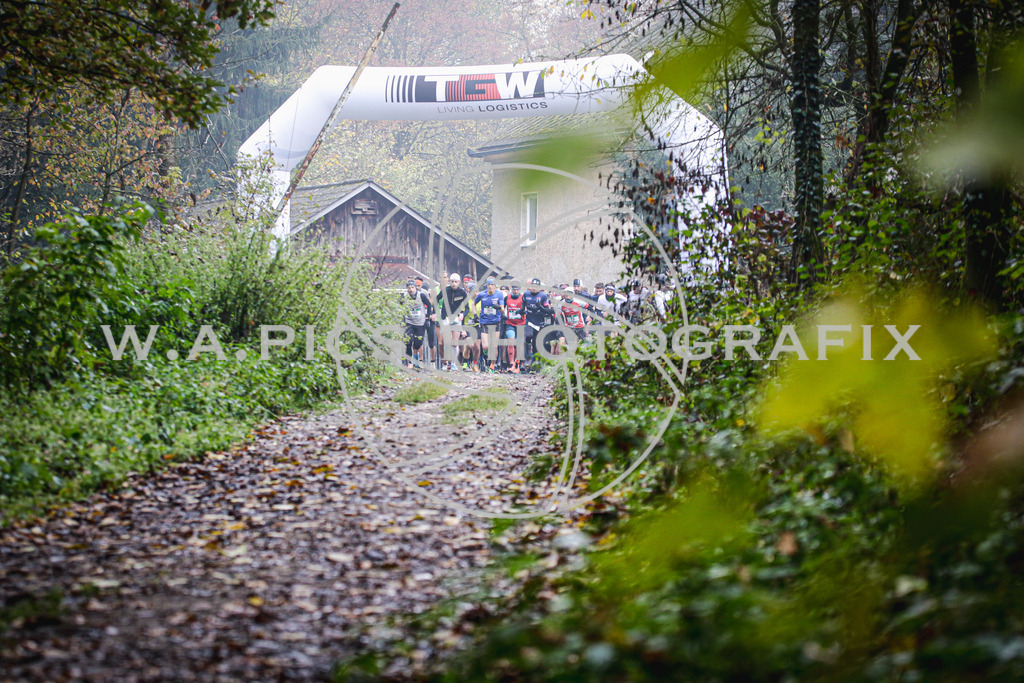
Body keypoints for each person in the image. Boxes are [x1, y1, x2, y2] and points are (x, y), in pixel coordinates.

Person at [474, 277, 505, 372]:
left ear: (495, 286)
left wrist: (498, 307)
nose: (490, 287)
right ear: (486, 286)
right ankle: (485, 356)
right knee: (486, 346)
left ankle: (492, 364)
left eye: (492, 285)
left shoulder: (499, 294)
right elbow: (473, 304)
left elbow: (503, 310)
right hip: (484, 322)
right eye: (489, 285)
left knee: (494, 346)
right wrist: (475, 314)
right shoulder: (482, 294)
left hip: (496, 322)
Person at [437, 273, 467, 371]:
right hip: (445, 318)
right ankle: (445, 363)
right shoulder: (446, 290)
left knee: (454, 343)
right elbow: (436, 300)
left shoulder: (462, 292)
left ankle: (453, 363)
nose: (454, 284)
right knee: (446, 341)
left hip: (456, 319)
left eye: (456, 282)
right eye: (452, 282)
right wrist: (435, 312)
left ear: (459, 282)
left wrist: (463, 314)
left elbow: (467, 308)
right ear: (449, 282)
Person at [401, 278, 433, 368]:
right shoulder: (404, 296)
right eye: (409, 288)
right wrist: (402, 317)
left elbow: (429, 305)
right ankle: (410, 361)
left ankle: (416, 357)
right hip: (409, 322)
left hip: (420, 322)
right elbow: (399, 306)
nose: (411, 290)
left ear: (415, 288)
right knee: (408, 341)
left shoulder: (421, 295)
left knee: (418, 342)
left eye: (412, 287)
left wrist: (427, 318)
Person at [522, 278, 551, 373]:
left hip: (539, 322)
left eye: (536, 287)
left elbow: (547, 311)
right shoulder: (526, 294)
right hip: (529, 320)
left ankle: (535, 363)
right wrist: (522, 310)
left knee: (536, 344)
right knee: (528, 336)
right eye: (533, 286)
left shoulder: (543, 296)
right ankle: (527, 358)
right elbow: (523, 306)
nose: (534, 289)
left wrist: (540, 307)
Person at [503, 283, 526, 373]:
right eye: (514, 289)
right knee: (511, 341)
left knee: (519, 344)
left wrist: (523, 312)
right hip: (510, 323)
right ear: (511, 289)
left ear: (520, 290)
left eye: (517, 289)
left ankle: (518, 364)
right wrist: (503, 315)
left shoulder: (523, 298)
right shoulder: (507, 298)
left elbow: (526, 309)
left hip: (520, 324)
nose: (515, 291)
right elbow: (502, 308)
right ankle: (511, 364)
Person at [461, 276, 481, 370]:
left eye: (477, 291)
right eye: (474, 291)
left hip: (477, 325)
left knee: (477, 347)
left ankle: (474, 364)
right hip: (467, 326)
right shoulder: (465, 301)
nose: (476, 293)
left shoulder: (481, 301)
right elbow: (461, 316)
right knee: (470, 345)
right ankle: (465, 362)